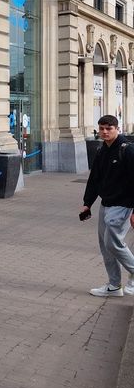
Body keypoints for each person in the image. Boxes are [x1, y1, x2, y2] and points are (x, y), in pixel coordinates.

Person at [80, 115, 134, 297]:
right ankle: (114, 286)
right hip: (106, 204)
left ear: (117, 129)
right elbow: (94, 179)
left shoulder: (127, 150)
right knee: (105, 246)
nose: (104, 132)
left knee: (113, 242)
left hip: (124, 205)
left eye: (108, 128)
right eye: (102, 128)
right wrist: (87, 204)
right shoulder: (101, 150)